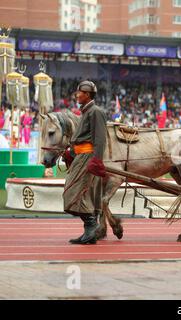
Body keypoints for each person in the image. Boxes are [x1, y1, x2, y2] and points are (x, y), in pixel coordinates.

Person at [63, 80, 107, 245]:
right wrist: (71, 153)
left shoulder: (96, 112)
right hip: (81, 157)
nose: (76, 95)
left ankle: (92, 226)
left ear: (87, 94)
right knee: (80, 193)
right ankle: (89, 232)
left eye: (79, 92)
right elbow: (81, 139)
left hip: (88, 158)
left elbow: (100, 140)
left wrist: (96, 160)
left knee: (74, 192)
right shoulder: (86, 112)